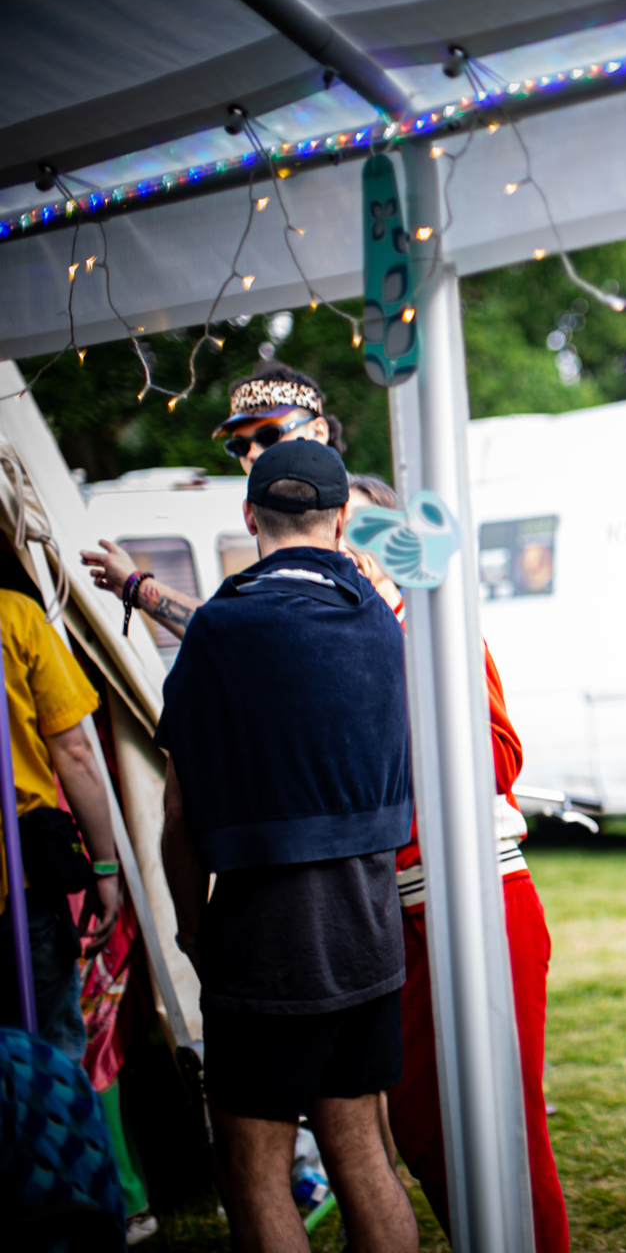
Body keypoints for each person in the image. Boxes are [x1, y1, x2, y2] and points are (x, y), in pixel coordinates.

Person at [157, 440, 417, 1253]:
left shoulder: (221, 629)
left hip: (263, 945)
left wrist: (192, 932)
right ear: (340, 522)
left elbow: (179, 810)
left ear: (249, 516)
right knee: (363, 1152)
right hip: (369, 933)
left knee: (253, 1170)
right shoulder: (381, 622)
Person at [345, 474, 571, 1252]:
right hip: (385, 912)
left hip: (479, 896)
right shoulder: (341, 631)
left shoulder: (438, 629)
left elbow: (501, 758)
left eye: (365, 530)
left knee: (506, 1123)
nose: (352, 547)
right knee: (416, 1121)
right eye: (339, 530)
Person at [82, 362, 341, 637]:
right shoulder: (268, 516)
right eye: (239, 445)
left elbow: (238, 631)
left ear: (318, 432)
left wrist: (137, 586)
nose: (252, 453)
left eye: (269, 435)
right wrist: (135, 586)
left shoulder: (359, 510)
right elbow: (240, 631)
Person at [0, 581, 122, 1059]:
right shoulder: (15, 617)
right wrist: (105, 868)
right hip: (19, 891)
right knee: (48, 1059)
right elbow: (75, 752)